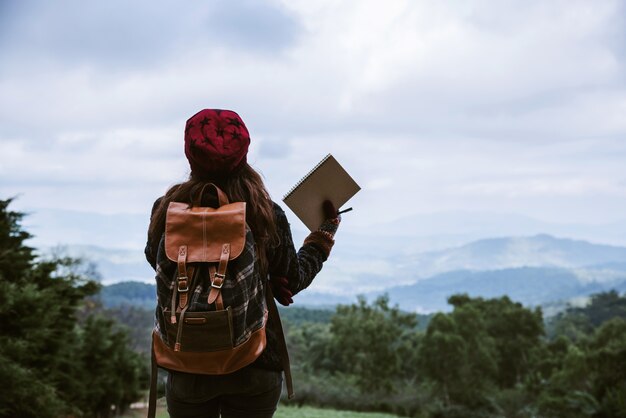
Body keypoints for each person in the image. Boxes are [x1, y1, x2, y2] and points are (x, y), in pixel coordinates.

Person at [145, 108, 341, 418]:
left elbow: (155, 261)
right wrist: (322, 235)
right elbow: (295, 279)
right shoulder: (265, 213)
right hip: (255, 362)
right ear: (244, 153)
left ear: (190, 153)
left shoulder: (167, 210)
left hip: (186, 362)